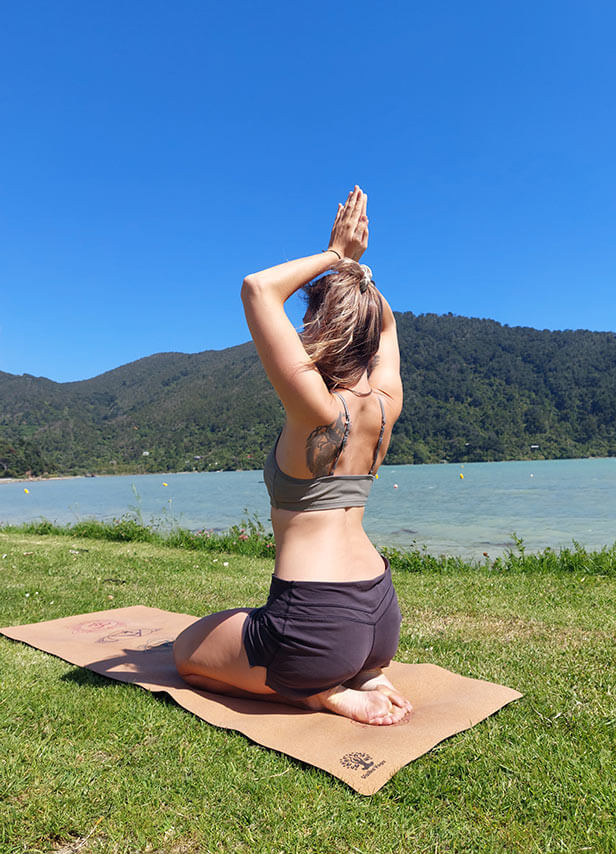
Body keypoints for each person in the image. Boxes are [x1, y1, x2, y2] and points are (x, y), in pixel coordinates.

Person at [173, 186, 412, 725]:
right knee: (236, 628)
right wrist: (358, 278)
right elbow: (388, 326)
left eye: (310, 323)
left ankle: (318, 692)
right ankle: (366, 670)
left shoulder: (316, 408)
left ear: (320, 327)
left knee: (188, 654)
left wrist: (336, 256)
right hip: (379, 611)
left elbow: (258, 289)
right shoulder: (386, 405)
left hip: (316, 622)